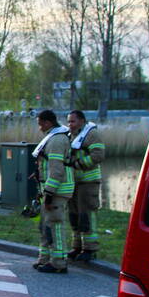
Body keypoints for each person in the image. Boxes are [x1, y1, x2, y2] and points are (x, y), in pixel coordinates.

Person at [32, 109, 74, 273]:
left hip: (57, 191)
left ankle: (58, 263)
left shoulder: (56, 140)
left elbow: (56, 171)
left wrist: (49, 193)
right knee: (45, 225)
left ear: (48, 122)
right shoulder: (54, 137)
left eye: (40, 124)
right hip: (51, 189)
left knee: (55, 225)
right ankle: (45, 259)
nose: (39, 128)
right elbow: (50, 166)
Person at [66, 110, 105, 262]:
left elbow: (98, 155)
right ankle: (77, 246)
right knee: (74, 215)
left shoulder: (91, 134)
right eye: (68, 122)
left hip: (88, 182)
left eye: (73, 121)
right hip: (74, 182)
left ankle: (90, 248)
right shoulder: (71, 136)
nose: (70, 125)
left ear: (82, 121)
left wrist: (78, 164)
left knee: (87, 215)